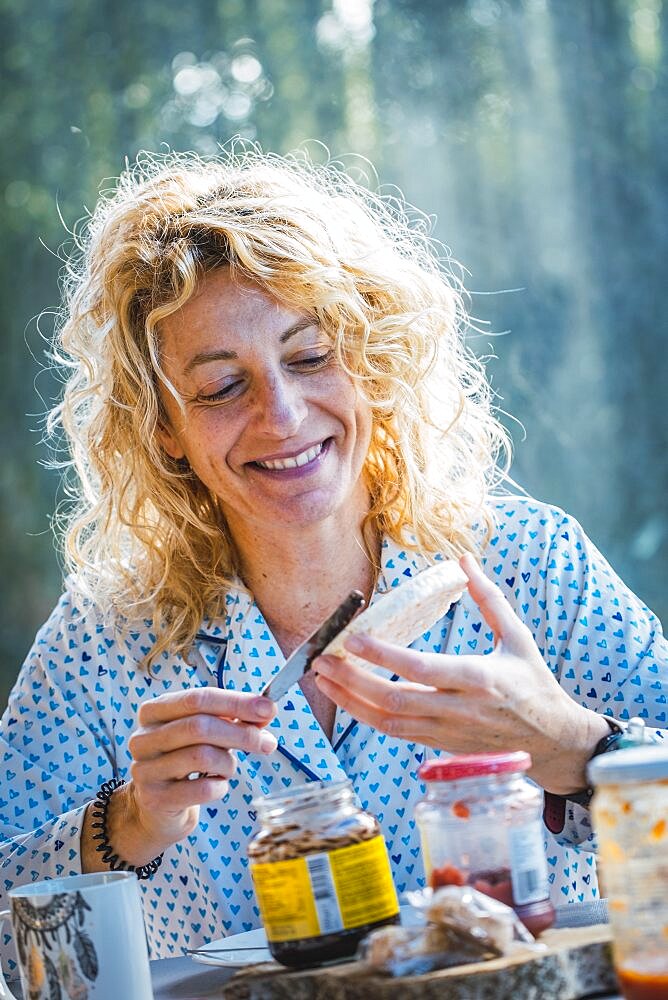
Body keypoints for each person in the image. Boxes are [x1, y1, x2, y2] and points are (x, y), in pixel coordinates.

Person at [0, 149, 665, 965]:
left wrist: (571, 744)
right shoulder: (103, 646)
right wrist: (127, 824)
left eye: (310, 356)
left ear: (371, 361)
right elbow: (9, 936)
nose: (281, 415)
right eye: (219, 387)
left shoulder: (533, 566)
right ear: (163, 429)